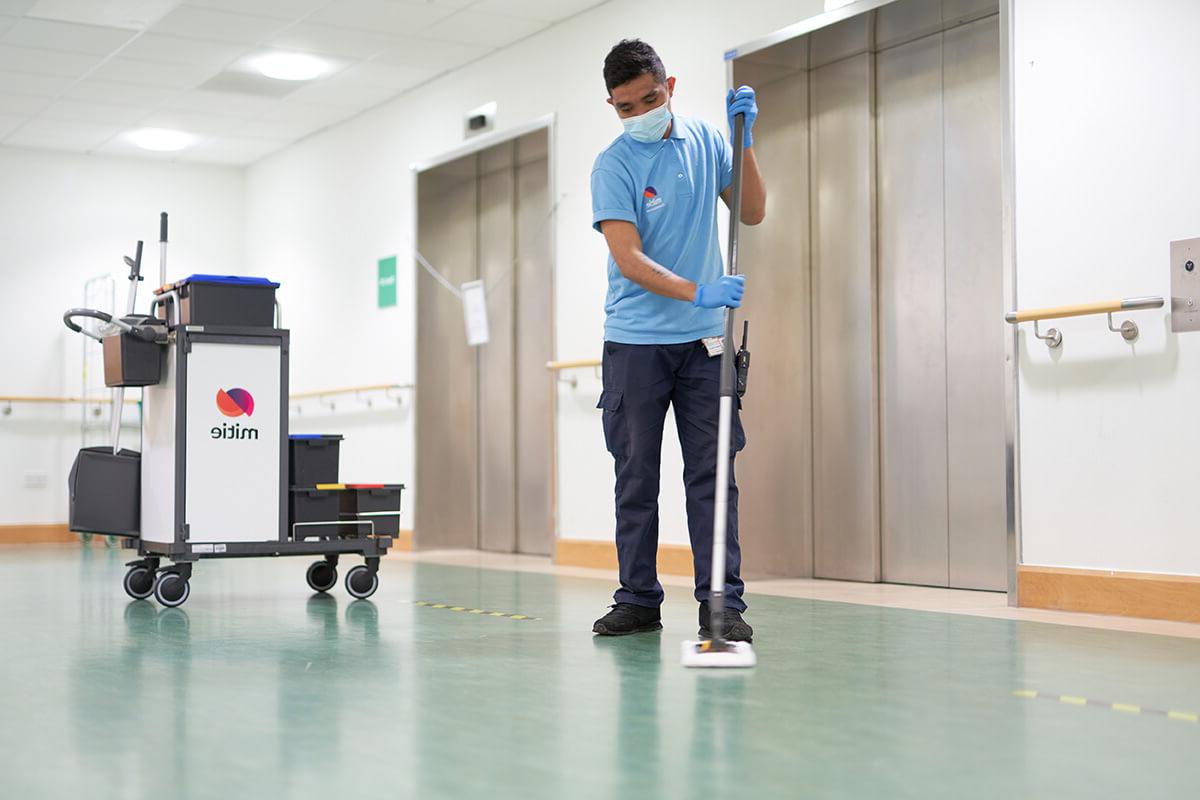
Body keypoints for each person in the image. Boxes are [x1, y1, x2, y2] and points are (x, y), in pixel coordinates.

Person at [589, 39, 766, 641]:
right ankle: (638, 597)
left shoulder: (708, 142)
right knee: (636, 475)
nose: (640, 113)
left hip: (703, 348)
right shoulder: (613, 165)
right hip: (636, 343)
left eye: (650, 98)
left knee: (714, 477)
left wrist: (743, 142)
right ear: (611, 105)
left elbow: (753, 210)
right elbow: (628, 258)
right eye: (625, 106)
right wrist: (700, 292)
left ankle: (722, 605)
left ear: (672, 86)